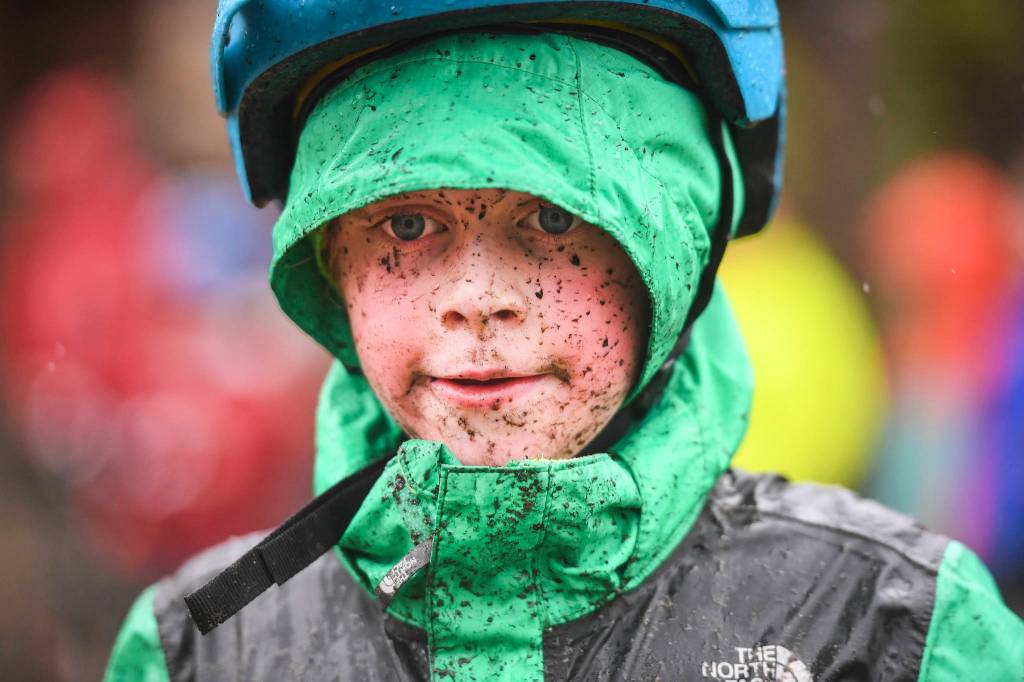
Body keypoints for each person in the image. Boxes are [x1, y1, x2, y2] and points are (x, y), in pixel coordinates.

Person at [105, 2, 1024, 680]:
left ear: (676, 257)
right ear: (329, 269)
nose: (477, 301)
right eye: (406, 229)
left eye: (553, 218)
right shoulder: (202, 650)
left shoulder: (889, 631)